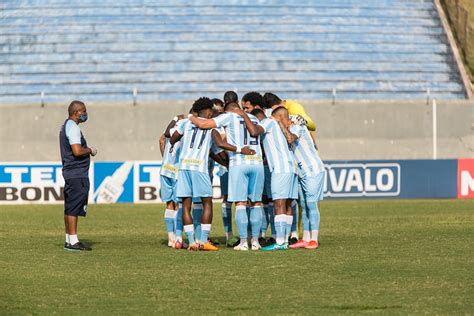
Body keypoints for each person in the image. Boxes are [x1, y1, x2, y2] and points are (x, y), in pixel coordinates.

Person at [170, 97, 254, 251]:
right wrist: (240, 151)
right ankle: (203, 241)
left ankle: (191, 241)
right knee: (207, 202)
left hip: (183, 168)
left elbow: (172, 138)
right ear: (208, 111)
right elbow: (220, 146)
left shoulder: (185, 123)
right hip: (199, 168)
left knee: (185, 205)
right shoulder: (212, 127)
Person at [189, 102, 265, 251]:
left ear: (229, 110)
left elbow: (204, 125)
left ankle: (243, 242)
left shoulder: (229, 116)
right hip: (257, 162)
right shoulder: (254, 119)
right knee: (256, 203)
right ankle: (255, 241)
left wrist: (190, 117)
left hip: (238, 162)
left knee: (240, 203)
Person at [250, 107, 299, 251]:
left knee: (278, 204)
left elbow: (254, 131)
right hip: (291, 167)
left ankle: (279, 241)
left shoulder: (267, 122)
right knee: (287, 205)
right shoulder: (279, 128)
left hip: (280, 169)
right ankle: (284, 240)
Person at [59, 100, 97, 251]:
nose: (85, 114)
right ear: (76, 113)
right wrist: (90, 150)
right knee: (74, 207)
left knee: (69, 208)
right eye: (84, 111)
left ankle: (69, 239)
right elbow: (77, 151)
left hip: (70, 172)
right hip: (77, 173)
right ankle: (74, 242)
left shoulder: (65, 126)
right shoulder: (73, 127)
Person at [288, 122, 325, 249]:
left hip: (313, 170)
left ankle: (314, 240)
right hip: (301, 172)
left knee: (311, 203)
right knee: (303, 205)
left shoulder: (297, 126)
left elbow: (291, 138)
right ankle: (305, 239)